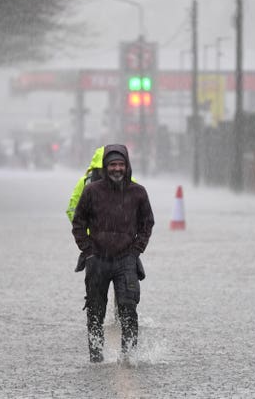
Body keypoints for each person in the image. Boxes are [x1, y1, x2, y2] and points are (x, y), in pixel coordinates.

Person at [71, 144, 154, 363]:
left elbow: (148, 224)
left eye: (121, 164)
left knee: (128, 310)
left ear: (127, 166)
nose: (117, 169)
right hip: (97, 260)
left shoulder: (138, 193)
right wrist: (88, 250)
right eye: (112, 165)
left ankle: (129, 357)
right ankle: (96, 359)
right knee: (95, 312)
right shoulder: (91, 191)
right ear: (105, 167)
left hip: (126, 260)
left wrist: (136, 250)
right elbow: (78, 222)